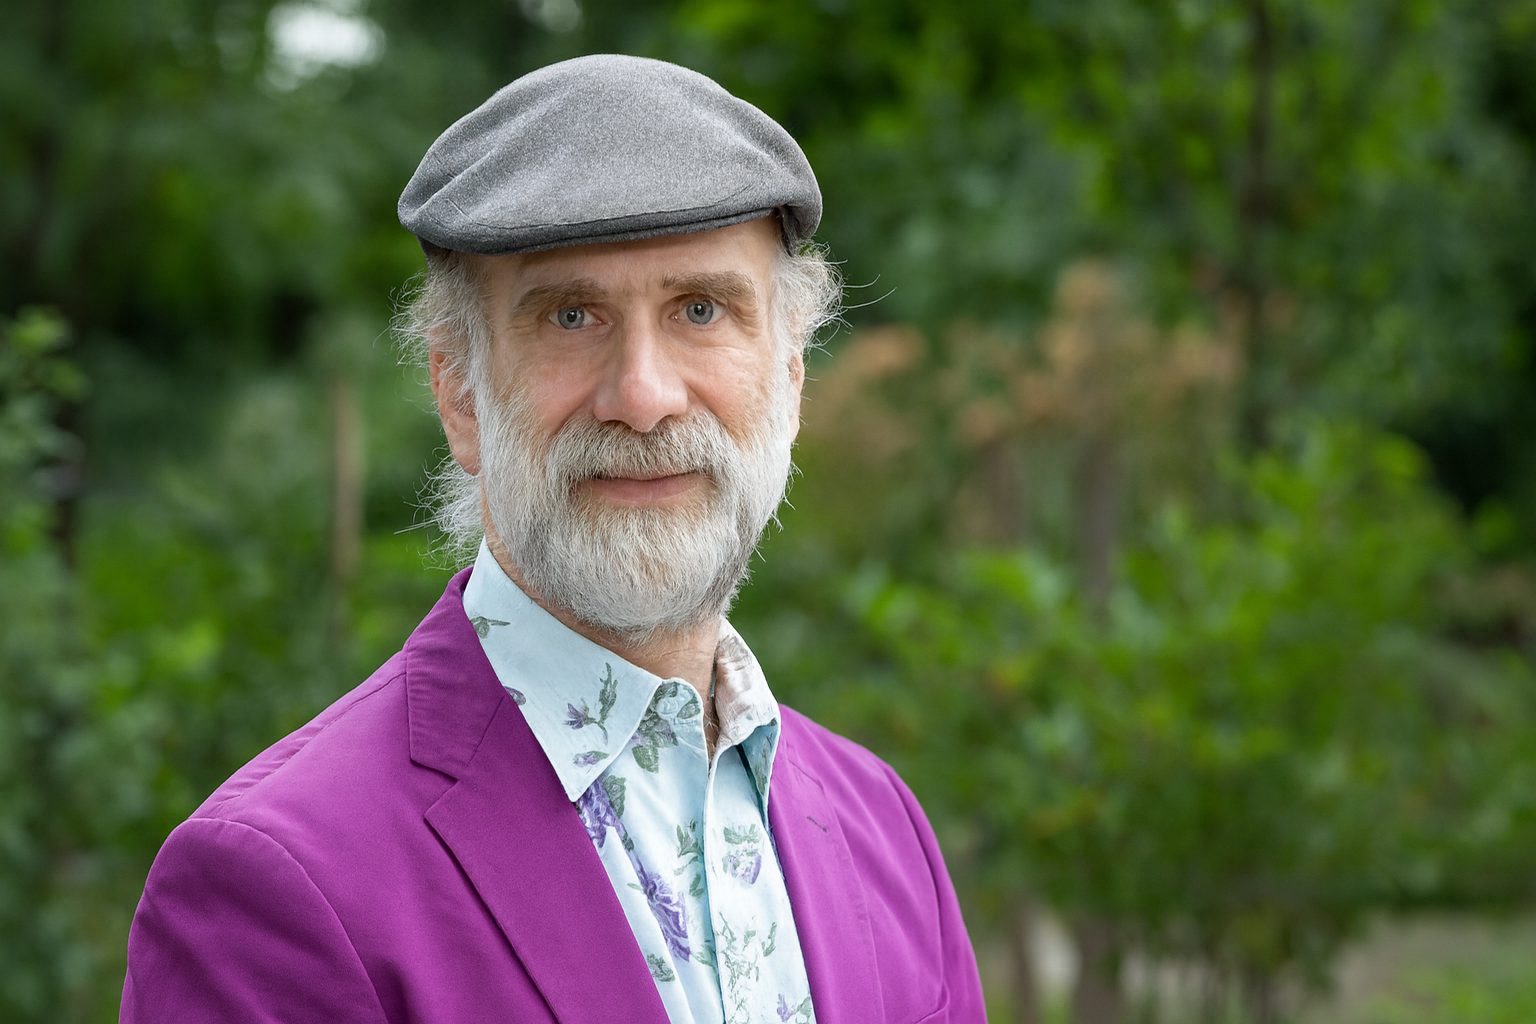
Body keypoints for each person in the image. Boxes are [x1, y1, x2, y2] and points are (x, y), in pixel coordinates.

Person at [120, 54, 986, 1024]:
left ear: (789, 374)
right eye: (571, 316)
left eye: (701, 309)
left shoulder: (883, 830)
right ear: (459, 393)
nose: (645, 395)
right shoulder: (276, 884)